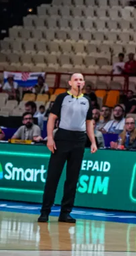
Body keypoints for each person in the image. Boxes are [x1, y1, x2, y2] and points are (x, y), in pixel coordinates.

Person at [38, 73, 97, 223]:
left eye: (81, 80)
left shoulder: (87, 100)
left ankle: (65, 212)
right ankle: (45, 211)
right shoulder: (62, 97)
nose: (78, 82)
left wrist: (93, 141)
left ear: (83, 83)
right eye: (76, 79)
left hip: (79, 140)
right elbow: (52, 118)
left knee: (72, 178)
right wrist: (50, 137)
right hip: (62, 138)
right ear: (70, 82)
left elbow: (89, 122)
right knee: (53, 176)